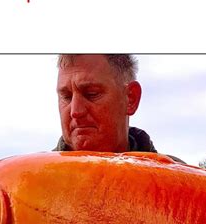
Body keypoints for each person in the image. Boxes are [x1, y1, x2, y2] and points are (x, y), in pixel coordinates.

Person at [53, 54, 185, 164]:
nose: (75, 111)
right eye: (66, 97)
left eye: (91, 94)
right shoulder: (34, 182)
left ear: (130, 98)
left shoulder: (184, 182)